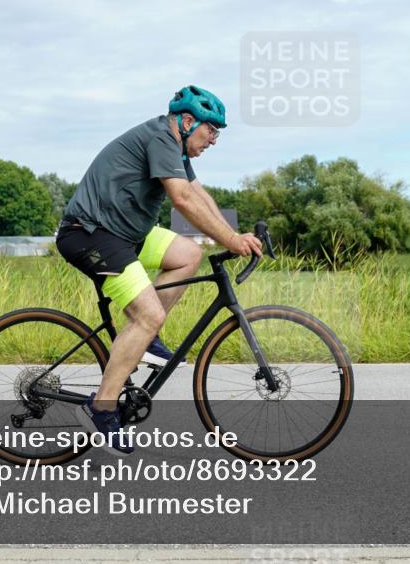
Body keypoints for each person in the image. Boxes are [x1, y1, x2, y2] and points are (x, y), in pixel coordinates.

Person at [56, 86, 262, 454]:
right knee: (148, 314)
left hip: (123, 233)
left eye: (217, 132)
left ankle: (145, 340)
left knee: (187, 254)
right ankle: (101, 408)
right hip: (90, 234)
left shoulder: (175, 145)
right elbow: (181, 200)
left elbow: (197, 193)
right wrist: (231, 240)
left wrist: (234, 234)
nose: (214, 139)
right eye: (211, 130)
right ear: (187, 121)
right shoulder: (160, 138)